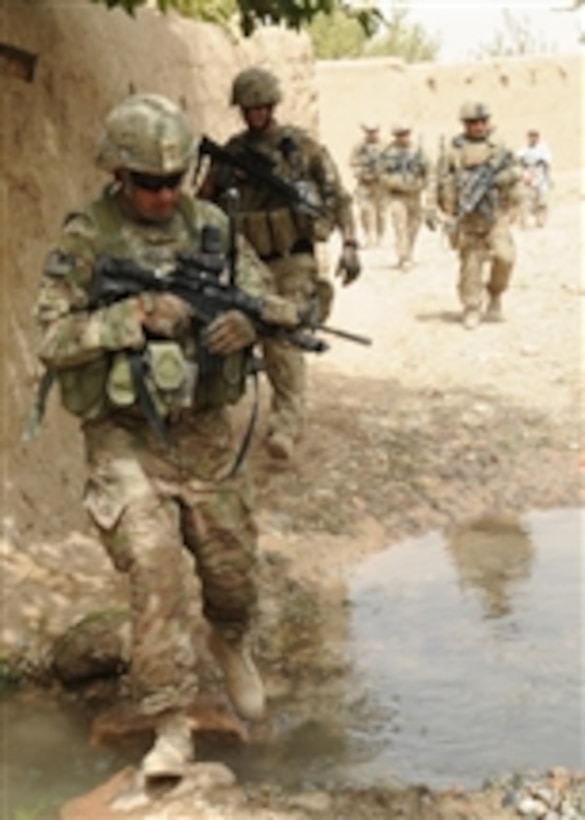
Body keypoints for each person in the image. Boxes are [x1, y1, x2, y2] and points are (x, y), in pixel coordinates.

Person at [32, 93, 302, 784]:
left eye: (173, 180)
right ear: (117, 175)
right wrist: (132, 317)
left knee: (232, 577)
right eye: (146, 182)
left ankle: (229, 641)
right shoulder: (87, 237)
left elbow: (266, 298)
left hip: (206, 433)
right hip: (125, 438)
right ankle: (171, 725)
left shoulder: (212, 225)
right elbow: (53, 339)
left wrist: (249, 327)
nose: (161, 194)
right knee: (154, 577)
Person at [198, 67, 361, 461]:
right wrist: (222, 178)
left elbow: (338, 196)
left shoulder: (302, 149)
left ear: (272, 106)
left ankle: (286, 422)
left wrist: (351, 243)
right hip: (248, 261)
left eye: (261, 107)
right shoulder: (231, 152)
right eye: (248, 108)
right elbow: (202, 204)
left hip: (293, 257)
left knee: (283, 337)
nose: (254, 114)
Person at [434, 101, 522, 329]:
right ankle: (472, 307)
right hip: (468, 218)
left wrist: (500, 181)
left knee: (505, 257)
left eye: (483, 121)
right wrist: (435, 208)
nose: (479, 126)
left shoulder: (499, 147)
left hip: (495, 215)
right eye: (474, 122)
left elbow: (517, 171)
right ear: (465, 124)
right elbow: (438, 179)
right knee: (470, 266)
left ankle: (495, 293)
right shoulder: (453, 150)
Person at [380, 122, 431, 271]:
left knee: (414, 226)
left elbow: (428, 171)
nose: (403, 138)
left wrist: (423, 184)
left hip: (415, 195)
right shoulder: (387, 153)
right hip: (397, 196)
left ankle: (409, 252)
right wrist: (394, 182)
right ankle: (404, 257)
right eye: (399, 135)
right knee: (400, 226)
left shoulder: (418, 152)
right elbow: (381, 174)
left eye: (405, 134)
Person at [348, 120, 387, 248]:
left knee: (381, 211)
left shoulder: (385, 146)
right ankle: (369, 236)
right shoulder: (359, 146)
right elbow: (353, 163)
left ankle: (380, 235)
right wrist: (362, 172)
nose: (372, 134)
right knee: (365, 210)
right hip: (364, 183)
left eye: (374, 132)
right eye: (369, 132)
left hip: (381, 183)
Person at [516, 128, 553, 229]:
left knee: (542, 200)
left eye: (535, 136)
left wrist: (547, 177)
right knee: (526, 201)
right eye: (531, 136)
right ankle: (524, 222)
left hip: (540, 176)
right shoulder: (524, 148)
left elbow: (547, 162)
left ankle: (541, 221)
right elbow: (518, 159)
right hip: (528, 176)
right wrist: (524, 172)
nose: (533, 138)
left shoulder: (543, 148)